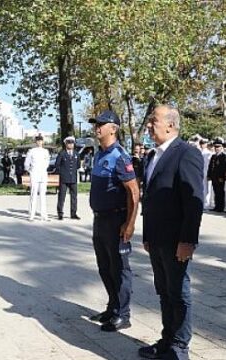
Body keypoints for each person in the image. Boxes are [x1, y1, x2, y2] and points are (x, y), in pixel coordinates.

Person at [140, 105, 204, 360]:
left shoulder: (186, 153)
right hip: (156, 238)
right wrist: (147, 235)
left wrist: (188, 240)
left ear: (170, 125)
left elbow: (194, 200)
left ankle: (180, 346)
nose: (148, 125)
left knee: (179, 292)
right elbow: (152, 198)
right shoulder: (152, 155)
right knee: (164, 290)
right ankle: (167, 339)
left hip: (176, 239)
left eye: (153, 121)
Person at [86, 110, 140, 332]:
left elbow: (134, 192)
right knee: (104, 266)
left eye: (101, 124)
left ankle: (123, 314)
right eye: (95, 124)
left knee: (119, 268)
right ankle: (113, 306)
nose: (96, 127)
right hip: (100, 220)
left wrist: (129, 224)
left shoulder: (120, 157)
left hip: (115, 220)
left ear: (113, 128)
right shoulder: (99, 155)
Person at [24, 135, 50, 221]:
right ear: (35, 142)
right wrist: (30, 170)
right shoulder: (31, 151)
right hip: (34, 174)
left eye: (41, 141)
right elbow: (26, 164)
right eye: (38, 141)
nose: (39, 142)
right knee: (33, 194)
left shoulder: (46, 151)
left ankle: (44, 215)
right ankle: (31, 215)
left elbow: (47, 162)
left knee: (43, 194)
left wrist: (43, 169)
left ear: (43, 141)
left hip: (43, 174)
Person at [55, 136, 80, 220]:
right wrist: (62, 173)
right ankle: (60, 213)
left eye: (72, 143)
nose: (70, 145)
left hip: (73, 178)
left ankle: (73, 213)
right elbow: (57, 165)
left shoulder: (76, 154)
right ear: (66, 144)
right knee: (62, 196)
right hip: (64, 178)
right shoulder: (62, 153)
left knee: (74, 197)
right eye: (69, 143)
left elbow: (78, 165)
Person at [208, 138, 226, 212]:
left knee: (220, 192)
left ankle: (221, 207)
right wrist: (209, 175)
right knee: (215, 192)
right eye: (215, 147)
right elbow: (211, 166)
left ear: (221, 147)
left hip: (220, 178)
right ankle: (217, 206)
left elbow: (224, 168)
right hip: (214, 177)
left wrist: (222, 177)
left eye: (218, 147)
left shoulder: (224, 156)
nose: (217, 148)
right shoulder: (213, 156)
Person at [199, 138, 213, 209]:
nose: (202, 145)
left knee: (207, 188)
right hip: (200, 172)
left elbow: (209, 165)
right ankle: (202, 202)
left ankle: (206, 203)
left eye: (203, 144)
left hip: (206, 172)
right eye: (201, 144)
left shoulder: (209, 153)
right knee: (202, 187)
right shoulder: (199, 152)